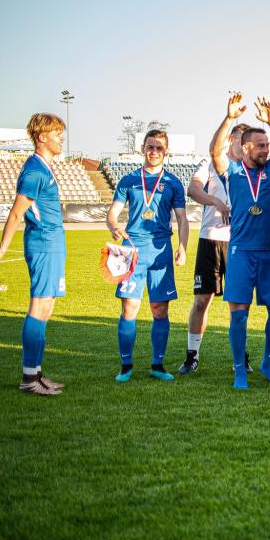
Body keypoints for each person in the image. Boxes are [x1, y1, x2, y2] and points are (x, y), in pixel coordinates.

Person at [210, 93, 270, 389]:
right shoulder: (233, 171)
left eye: (266, 145)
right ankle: (239, 371)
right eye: (260, 145)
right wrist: (229, 117)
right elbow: (214, 151)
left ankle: (266, 362)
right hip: (241, 252)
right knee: (239, 315)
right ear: (245, 147)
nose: (266, 149)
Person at [0, 113, 68, 395]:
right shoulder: (34, 170)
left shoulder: (43, 167)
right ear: (42, 136)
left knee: (46, 309)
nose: (61, 138)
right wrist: (1, 249)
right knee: (38, 307)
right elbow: (17, 212)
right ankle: (29, 379)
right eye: (57, 133)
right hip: (43, 244)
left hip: (52, 244)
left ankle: (37, 373)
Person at [105, 129, 189, 383]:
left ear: (166, 152)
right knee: (129, 307)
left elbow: (183, 220)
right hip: (132, 250)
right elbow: (113, 213)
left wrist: (183, 247)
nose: (154, 152)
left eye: (159, 148)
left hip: (161, 251)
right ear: (143, 148)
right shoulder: (128, 180)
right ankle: (126, 365)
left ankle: (157, 364)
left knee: (159, 309)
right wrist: (113, 226)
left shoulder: (173, 182)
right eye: (150, 147)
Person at [180, 123, 249, 375]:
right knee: (201, 301)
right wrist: (216, 201)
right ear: (231, 139)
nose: (245, 146)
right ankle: (192, 355)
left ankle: (241, 357)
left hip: (240, 243)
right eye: (241, 140)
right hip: (211, 239)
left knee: (238, 304)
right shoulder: (210, 164)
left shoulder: (250, 169)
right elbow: (193, 190)